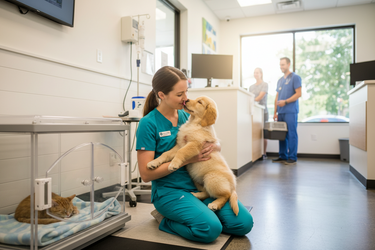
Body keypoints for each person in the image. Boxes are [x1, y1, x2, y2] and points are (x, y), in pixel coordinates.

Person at [136, 66, 253, 243]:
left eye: (186, 92)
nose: (185, 98)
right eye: (179, 94)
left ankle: (199, 216)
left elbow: (210, 138)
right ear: (162, 95)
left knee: (243, 224)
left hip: (198, 187)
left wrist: (216, 146)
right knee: (210, 230)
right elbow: (145, 175)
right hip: (170, 192)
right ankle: (166, 220)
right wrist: (186, 160)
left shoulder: (187, 115)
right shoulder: (148, 123)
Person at [272, 57, 302, 165]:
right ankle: (282, 155)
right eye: (280, 65)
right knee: (282, 134)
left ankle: (292, 157)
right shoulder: (280, 80)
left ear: (289, 64)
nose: (281, 67)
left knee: (291, 134)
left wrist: (285, 102)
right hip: (281, 112)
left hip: (290, 111)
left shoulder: (295, 77)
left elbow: (298, 94)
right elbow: (277, 96)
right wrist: (275, 112)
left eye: (283, 65)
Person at [249, 67, 269, 160]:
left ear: (261, 74)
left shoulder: (264, 85)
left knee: (263, 133)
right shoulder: (251, 87)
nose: (256, 74)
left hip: (263, 112)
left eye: (257, 72)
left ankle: (264, 153)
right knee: (254, 133)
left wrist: (253, 100)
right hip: (253, 113)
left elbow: (260, 97)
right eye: (254, 72)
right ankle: (255, 153)